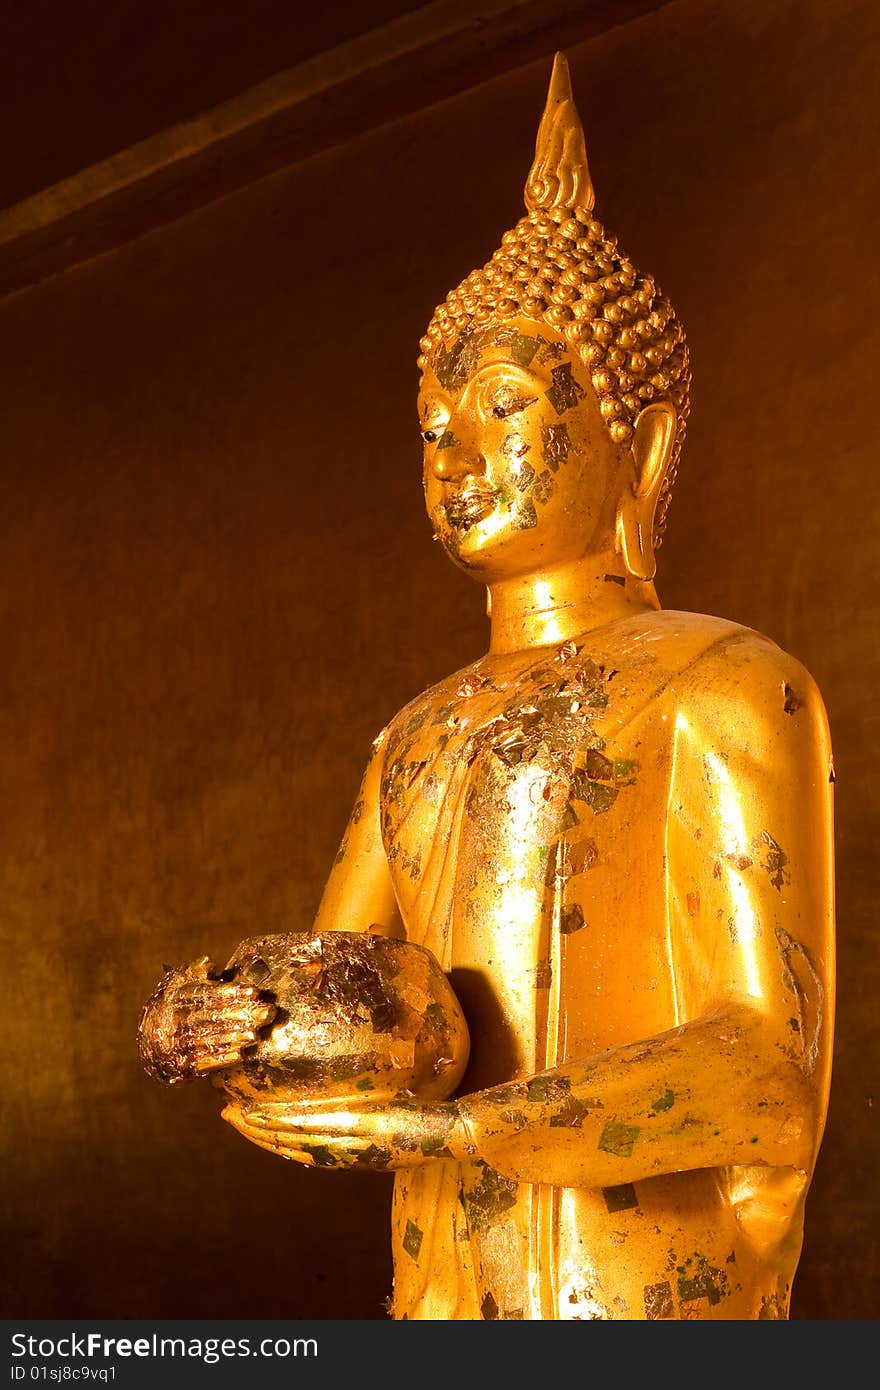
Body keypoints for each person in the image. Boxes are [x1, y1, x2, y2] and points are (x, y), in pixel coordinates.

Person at [138, 54, 834, 1320]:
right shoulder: (414, 732)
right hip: (435, 1296)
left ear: (646, 439)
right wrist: (232, 1021)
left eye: (503, 403)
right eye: (431, 420)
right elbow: (352, 1001)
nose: (452, 449)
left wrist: (457, 1137)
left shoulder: (724, 684)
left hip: (642, 1301)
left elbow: (768, 1077)